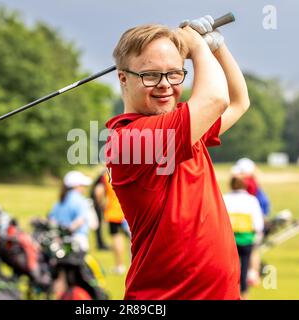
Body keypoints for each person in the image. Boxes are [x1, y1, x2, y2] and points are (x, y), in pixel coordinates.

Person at [105, 15, 250, 299]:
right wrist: (197, 47)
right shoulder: (131, 139)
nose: (165, 85)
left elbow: (237, 101)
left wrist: (216, 46)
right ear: (123, 78)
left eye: (174, 73)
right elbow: (215, 99)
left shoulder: (182, 127)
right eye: (150, 75)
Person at [223, 175, 264, 299]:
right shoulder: (251, 200)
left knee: (229, 270)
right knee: (244, 268)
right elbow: (258, 222)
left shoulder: (225, 198)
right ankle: (244, 295)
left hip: (229, 240)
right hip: (246, 239)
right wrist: (258, 235)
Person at [234, 158, 270, 287]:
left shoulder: (249, 186)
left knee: (253, 249)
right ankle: (251, 273)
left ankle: (252, 272)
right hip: (249, 221)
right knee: (252, 249)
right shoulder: (254, 184)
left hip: (248, 222)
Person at [93, 170, 130, 274]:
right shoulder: (129, 170)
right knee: (133, 239)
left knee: (117, 237)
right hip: (129, 210)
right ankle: (135, 264)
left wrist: (101, 205)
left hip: (114, 212)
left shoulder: (107, 174)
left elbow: (98, 191)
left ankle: (120, 266)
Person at [48, 171, 93, 253]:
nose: (84, 188)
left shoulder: (61, 200)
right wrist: (68, 230)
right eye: (82, 185)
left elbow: (52, 219)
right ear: (76, 186)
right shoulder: (81, 200)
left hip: (60, 240)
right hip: (78, 240)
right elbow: (80, 220)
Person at [90, 170, 110, 250]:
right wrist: (101, 204)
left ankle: (100, 243)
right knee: (98, 224)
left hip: (95, 201)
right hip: (96, 202)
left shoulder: (103, 174)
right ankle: (100, 244)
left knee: (99, 224)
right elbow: (98, 191)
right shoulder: (104, 176)